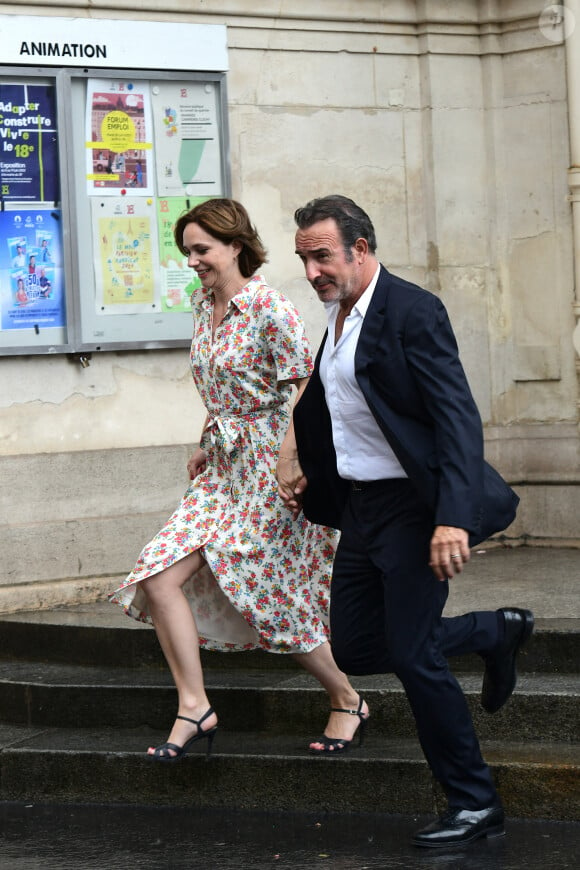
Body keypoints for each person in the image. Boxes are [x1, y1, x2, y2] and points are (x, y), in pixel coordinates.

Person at [276, 195, 534, 849]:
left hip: (415, 508)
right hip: (362, 507)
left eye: (322, 256)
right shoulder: (336, 316)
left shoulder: (411, 311)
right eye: (304, 258)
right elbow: (328, 402)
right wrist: (304, 465)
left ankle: (475, 803)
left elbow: (456, 416)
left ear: (361, 249)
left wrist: (451, 517)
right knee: (358, 647)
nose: (312, 271)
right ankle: (492, 630)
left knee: (416, 654)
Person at [110, 198, 367, 763]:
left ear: (235, 246)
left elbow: (304, 387)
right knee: (158, 574)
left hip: (272, 467)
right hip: (222, 470)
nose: (193, 261)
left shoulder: (269, 307)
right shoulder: (204, 307)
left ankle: (347, 697)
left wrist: (289, 459)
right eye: (187, 252)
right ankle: (195, 707)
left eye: (201, 249)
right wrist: (207, 442)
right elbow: (217, 385)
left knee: (270, 598)